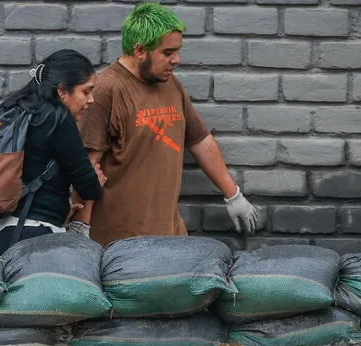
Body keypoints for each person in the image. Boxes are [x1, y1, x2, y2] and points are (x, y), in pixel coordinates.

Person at [69, 2, 258, 247]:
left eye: (177, 51)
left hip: (170, 234)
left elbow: (200, 140)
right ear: (139, 51)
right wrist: (81, 226)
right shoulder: (108, 90)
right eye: (167, 53)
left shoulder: (170, 84)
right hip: (118, 241)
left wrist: (233, 194)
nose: (176, 60)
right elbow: (89, 164)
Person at [0, 49, 106, 255]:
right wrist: (95, 180)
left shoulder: (12, 108)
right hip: (33, 236)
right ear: (62, 91)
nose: (90, 100)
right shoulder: (58, 119)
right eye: (86, 91)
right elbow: (88, 186)